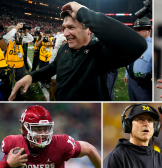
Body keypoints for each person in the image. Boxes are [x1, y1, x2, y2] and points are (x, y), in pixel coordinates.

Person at [9, 1, 147, 101]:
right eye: (64, 28)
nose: (65, 33)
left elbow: (137, 45)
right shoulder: (64, 48)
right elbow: (53, 67)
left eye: (71, 27)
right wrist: (31, 76)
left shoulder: (99, 51)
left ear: (88, 29)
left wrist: (83, 12)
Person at [0, 105, 101, 168]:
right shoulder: (14, 145)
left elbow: (90, 149)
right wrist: (8, 164)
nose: (43, 133)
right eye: (38, 129)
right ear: (24, 128)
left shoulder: (60, 144)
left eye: (45, 128)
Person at [124, 17, 152, 101]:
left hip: (144, 85)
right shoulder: (132, 44)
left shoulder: (153, 47)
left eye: (141, 29)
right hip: (132, 81)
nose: (137, 31)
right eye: (136, 29)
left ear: (149, 30)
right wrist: (127, 74)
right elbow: (130, 60)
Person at [3, 23, 33, 101]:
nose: (17, 32)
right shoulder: (6, 40)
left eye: (17, 30)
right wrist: (16, 28)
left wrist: (26, 32)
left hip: (20, 65)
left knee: (20, 83)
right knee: (9, 84)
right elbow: (6, 37)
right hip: (10, 66)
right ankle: (8, 97)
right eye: (15, 30)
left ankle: (18, 96)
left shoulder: (20, 39)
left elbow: (31, 39)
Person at [49, 32, 67, 101]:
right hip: (60, 60)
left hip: (52, 59)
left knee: (53, 83)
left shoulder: (56, 36)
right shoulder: (64, 37)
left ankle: (51, 101)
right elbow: (65, 49)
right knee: (62, 84)